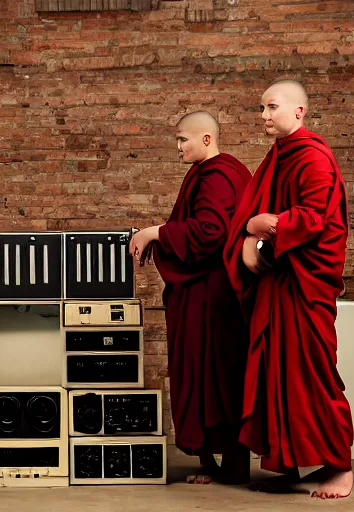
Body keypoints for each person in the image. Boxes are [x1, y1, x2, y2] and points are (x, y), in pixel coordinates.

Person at [223, 79, 354, 499]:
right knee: (276, 375)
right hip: (279, 281)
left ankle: (340, 468)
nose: (264, 116)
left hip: (304, 283)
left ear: (299, 112)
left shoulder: (313, 155)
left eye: (272, 107)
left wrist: (262, 227)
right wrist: (249, 229)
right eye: (261, 108)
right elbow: (255, 215)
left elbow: (314, 218)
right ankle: (289, 462)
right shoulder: (278, 155)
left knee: (313, 375)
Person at [130, 111, 252, 485]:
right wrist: (162, 235)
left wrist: (157, 232)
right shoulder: (207, 173)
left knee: (217, 375)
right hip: (203, 294)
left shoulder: (219, 175)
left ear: (206, 139)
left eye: (184, 139)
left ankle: (231, 466)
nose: (178, 147)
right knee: (201, 375)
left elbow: (212, 232)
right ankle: (213, 464)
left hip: (214, 296)